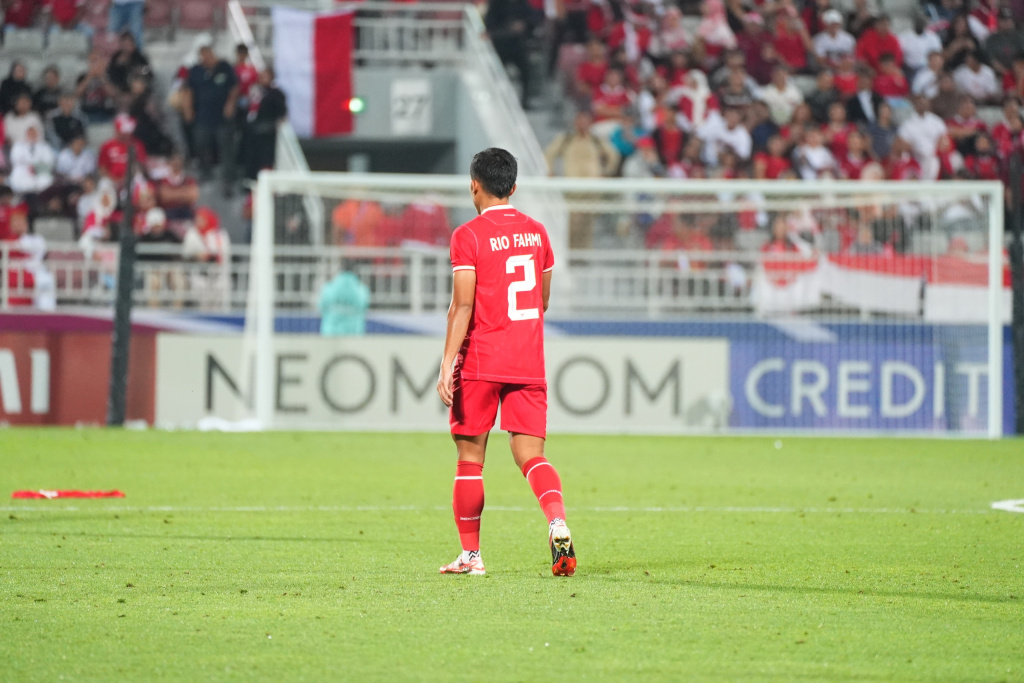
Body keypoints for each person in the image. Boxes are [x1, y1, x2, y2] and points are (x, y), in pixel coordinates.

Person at [436, 147, 574, 578]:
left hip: (480, 360)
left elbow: (462, 305)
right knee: (531, 454)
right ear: (513, 187)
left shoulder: (468, 235)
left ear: (474, 184)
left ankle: (471, 556)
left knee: (470, 458)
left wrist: (446, 363)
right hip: (528, 360)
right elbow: (543, 300)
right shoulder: (538, 233)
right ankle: (557, 522)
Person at [183, 41, 239, 195]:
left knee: (226, 148)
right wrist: (188, 108)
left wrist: (230, 104)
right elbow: (189, 89)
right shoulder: (195, 70)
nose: (206, 56)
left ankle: (228, 180)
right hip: (203, 115)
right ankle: (205, 172)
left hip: (222, 117)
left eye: (208, 53)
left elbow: (234, 86)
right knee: (201, 144)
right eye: (203, 54)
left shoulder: (225, 67)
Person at [242, 67, 287, 180]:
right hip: (251, 131)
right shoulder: (255, 91)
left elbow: (282, 113)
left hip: (267, 132)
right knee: (251, 158)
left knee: (265, 159)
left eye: (265, 76)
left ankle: (264, 182)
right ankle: (249, 181)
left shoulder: (276, 93)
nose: (262, 78)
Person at [317, 269, 371, 336]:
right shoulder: (361, 290)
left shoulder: (328, 288)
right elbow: (364, 308)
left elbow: (322, 306)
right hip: (354, 332)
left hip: (331, 332)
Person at [106, 30, 151, 96]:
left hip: (138, 91)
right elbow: (111, 76)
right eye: (125, 45)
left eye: (129, 44)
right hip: (120, 91)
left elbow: (148, 71)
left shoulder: (139, 57)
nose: (127, 48)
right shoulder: (115, 59)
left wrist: (140, 70)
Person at [76, 51, 116, 123]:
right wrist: (89, 76)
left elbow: (114, 94)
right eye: (91, 61)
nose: (94, 64)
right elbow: (77, 94)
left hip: (106, 113)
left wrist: (101, 77)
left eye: (96, 60)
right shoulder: (83, 77)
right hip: (87, 113)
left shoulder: (110, 75)